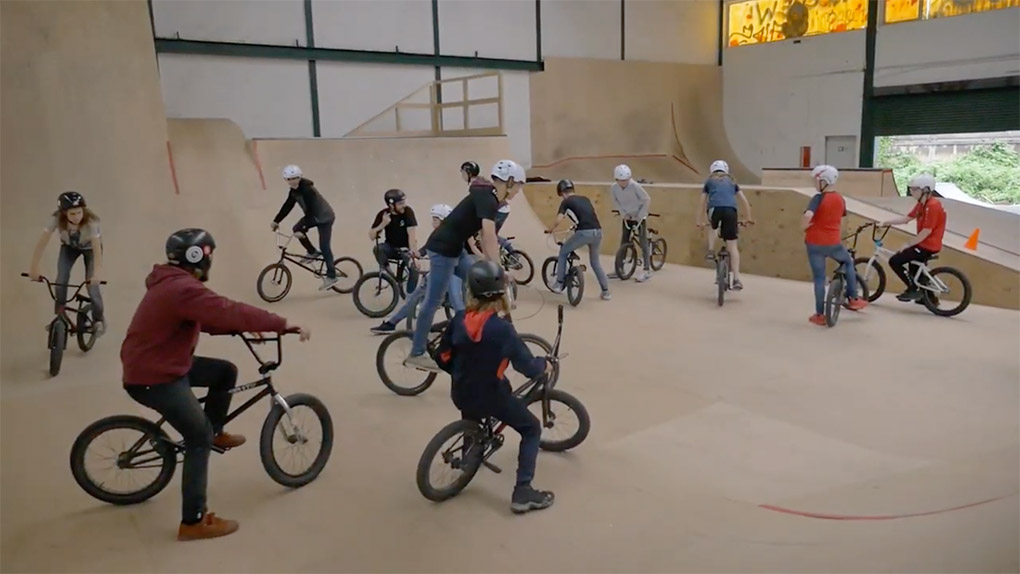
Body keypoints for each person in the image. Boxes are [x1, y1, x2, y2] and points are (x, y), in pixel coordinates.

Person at [120, 228, 311, 541]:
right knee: (197, 438)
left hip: (160, 362)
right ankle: (193, 521)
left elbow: (207, 318)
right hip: (155, 376)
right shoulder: (182, 288)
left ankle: (216, 432)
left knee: (224, 372)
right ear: (198, 257)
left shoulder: (173, 283)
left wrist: (239, 328)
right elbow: (225, 309)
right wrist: (280, 323)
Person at [435, 260, 555, 514]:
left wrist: (459, 372)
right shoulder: (503, 330)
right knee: (531, 428)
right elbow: (528, 367)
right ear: (501, 292)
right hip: (491, 395)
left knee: (473, 413)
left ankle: (470, 456)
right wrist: (543, 365)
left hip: (461, 391)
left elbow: (442, 357)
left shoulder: (458, 320)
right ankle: (523, 491)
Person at [403, 160, 525, 372]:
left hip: (456, 249)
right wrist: (497, 270)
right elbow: (488, 235)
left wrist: (491, 268)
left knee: (481, 283)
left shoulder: (489, 197)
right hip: (442, 250)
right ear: (510, 182)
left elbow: (485, 237)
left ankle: (469, 326)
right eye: (518, 187)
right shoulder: (488, 198)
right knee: (433, 300)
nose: (517, 192)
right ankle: (417, 352)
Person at [370, 204, 466, 334]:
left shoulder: (451, 234)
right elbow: (427, 248)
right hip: (441, 272)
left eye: (435, 219)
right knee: (416, 298)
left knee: (456, 300)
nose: (433, 222)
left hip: (451, 272)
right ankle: (391, 323)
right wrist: (416, 254)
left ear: (443, 220)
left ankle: (465, 329)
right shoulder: (441, 232)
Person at [29, 191, 106, 336]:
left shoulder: (91, 222)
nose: (77, 217)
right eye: (72, 214)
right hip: (69, 248)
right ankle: (60, 315)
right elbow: (42, 242)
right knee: (60, 280)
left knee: (92, 287)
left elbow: (96, 248)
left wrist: (97, 272)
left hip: (89, 249)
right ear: (64, 213)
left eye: (79, 212)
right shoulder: (56, 219)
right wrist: (34, 266)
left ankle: (98, 319)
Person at [801, 165, 868, 325]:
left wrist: (804, 226)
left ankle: (819, 315)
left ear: (823, 181)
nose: (814, 184)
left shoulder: (818, 198)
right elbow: (842, 214)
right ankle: (853, 298)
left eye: (815, 181)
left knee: (819, 278)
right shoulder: (839, 199)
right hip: (833, 243)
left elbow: (808, 215)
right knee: (848, 262)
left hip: (814, 243)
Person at [879, 173, 947, 302]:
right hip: (924, 243)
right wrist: (886, 222)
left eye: (914, 189)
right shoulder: (922, 204)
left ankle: (913, 289)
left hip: (928, 245)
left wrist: (908, 244)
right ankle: (929, 299)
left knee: (895, 260)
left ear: (926, 190)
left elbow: (926, 231)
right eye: (911, 189)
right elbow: (906, 219)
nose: (911, 192)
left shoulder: (932, 206)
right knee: (915, 267)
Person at [270, 165, 338, 290]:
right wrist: (276, 220)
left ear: (299, 177)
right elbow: (287, 206)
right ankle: (312, 252)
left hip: (324, 218)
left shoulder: (307, 190)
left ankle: (332, 276)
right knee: (296, 229)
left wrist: (304, 228)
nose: (292, 181)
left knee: (324, 246)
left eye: (294, 178)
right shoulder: (293, 191)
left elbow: (312, 210)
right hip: (313, 216)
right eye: (289, 179)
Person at [545, 179, 611, 301]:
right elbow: (586, 216)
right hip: (598, 231)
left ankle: (559, 284)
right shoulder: (585, 199)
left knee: (563, 252)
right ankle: (606, 292)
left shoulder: (566, 202)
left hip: (584, 232)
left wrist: (550, 229)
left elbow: (559, 219)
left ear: (562, 193)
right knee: (595, 262)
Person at [696, 160, 755, 290]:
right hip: (730, 212)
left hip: (715, 210)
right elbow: (744, 201)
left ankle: (711, 250)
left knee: (713, 226)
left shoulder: (709, 181)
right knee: (732, 246)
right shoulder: (732, 182)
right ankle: (736, 279)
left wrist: (699, 221)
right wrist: (748, 218)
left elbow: (702, 202)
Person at [370, 188, 419, 293]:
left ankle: (410, 296)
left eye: (404, 202)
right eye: (400, 203)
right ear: (391, 205)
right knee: (378, 249)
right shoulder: (383, 215)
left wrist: (413, 256)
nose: (404, 205)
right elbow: (372, 236)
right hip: (391, 247)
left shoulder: (408, 212)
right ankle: (388, 276)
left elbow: (412, 235)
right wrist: (382, 224)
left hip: (405, 249)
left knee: (414, 269)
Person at [609, 164, 652, 283]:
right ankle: (619, 269)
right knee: (624, 241)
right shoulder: (614, 188)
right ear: (616, 179)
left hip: (639, 217)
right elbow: (615, 201)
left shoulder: (635, 186)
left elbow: (646, 199)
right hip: (627, 216)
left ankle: (646, 269)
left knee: (643, 242)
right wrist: (623, 213)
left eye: (626, 180)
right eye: (621, 181)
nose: (623, 183)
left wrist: (641, 215)